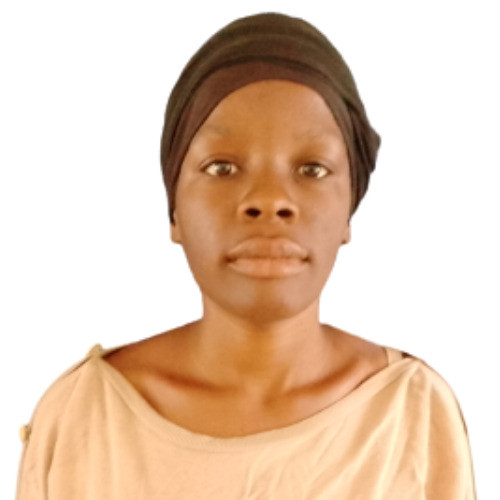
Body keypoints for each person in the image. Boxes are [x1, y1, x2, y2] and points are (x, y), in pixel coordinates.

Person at [16, 12, 475, 499]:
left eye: (312, 169)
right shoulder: (86, 415)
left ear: (349, 211)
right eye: (222, 167)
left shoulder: (411, 416)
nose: (270, 200)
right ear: (175, 212)